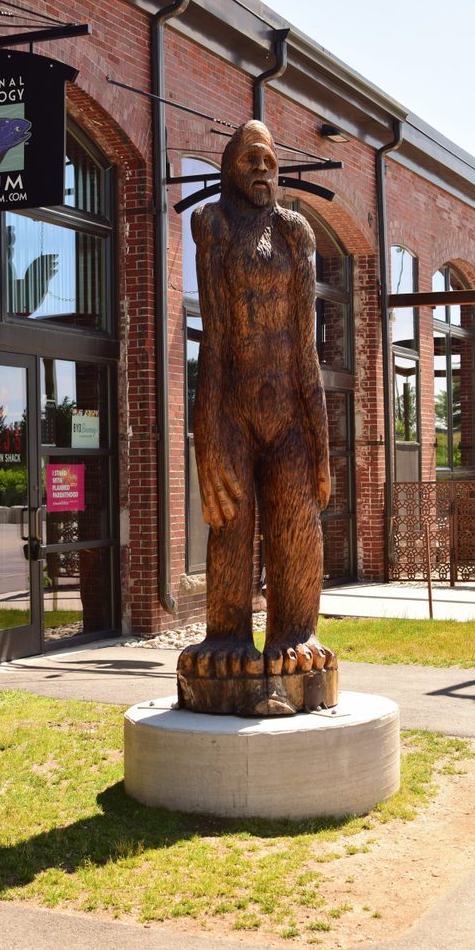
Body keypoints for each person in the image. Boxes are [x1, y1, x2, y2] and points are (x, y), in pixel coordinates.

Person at [177, 120, 336, 715]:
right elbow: (212, 339)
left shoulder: (296, 230)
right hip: (233, 403)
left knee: (298, 520)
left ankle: (297, 635)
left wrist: (321, 446)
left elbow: (307, 345)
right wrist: (206, 435)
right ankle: (226, 637)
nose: (262, 170)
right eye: (250, 160)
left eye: (269, 160)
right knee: (232, 524)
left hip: (291, 406)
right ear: (229, 168)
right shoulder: (211, 224)